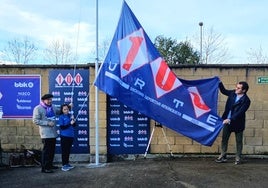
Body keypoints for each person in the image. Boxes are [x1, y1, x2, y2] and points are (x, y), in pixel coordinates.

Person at [215, 81, 251, 165]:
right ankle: (223, 155)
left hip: (238, 123)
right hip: (227, 121)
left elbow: (240, 112)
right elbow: (224, 91)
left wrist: (230, 119)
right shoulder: (232, 93)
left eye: (238, 88)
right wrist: (219, 83)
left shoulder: (246, 100)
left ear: (244, 90)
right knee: (224, 139)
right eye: (236, 87)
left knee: (239, 141)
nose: (236, 89)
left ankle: (238, 157)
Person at [33, 94, 60, 173]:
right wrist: (47, 123)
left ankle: (50, 165)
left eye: (50, 99)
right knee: (46, 152)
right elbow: (35, 120)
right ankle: (44, 168)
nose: (50, 101)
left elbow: (59, 111)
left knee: (51, 151)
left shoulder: (53, 107)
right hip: (46, 134)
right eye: (48, 100)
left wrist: (68, 107)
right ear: (43, 100)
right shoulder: (38, 108)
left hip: (53, 133)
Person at [58, 104, 76, 171]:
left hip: (71, 136)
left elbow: (74, 125)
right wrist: (70, 124)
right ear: (62, 110)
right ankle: (64, 165)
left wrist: (73, 121)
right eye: (64, 109)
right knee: (64, 151)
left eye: (67, 109)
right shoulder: (61, 117)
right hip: (64, 136)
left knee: (68, 151)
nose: (66, 110)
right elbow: (62, 127)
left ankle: (67, 163)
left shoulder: (70, 116)